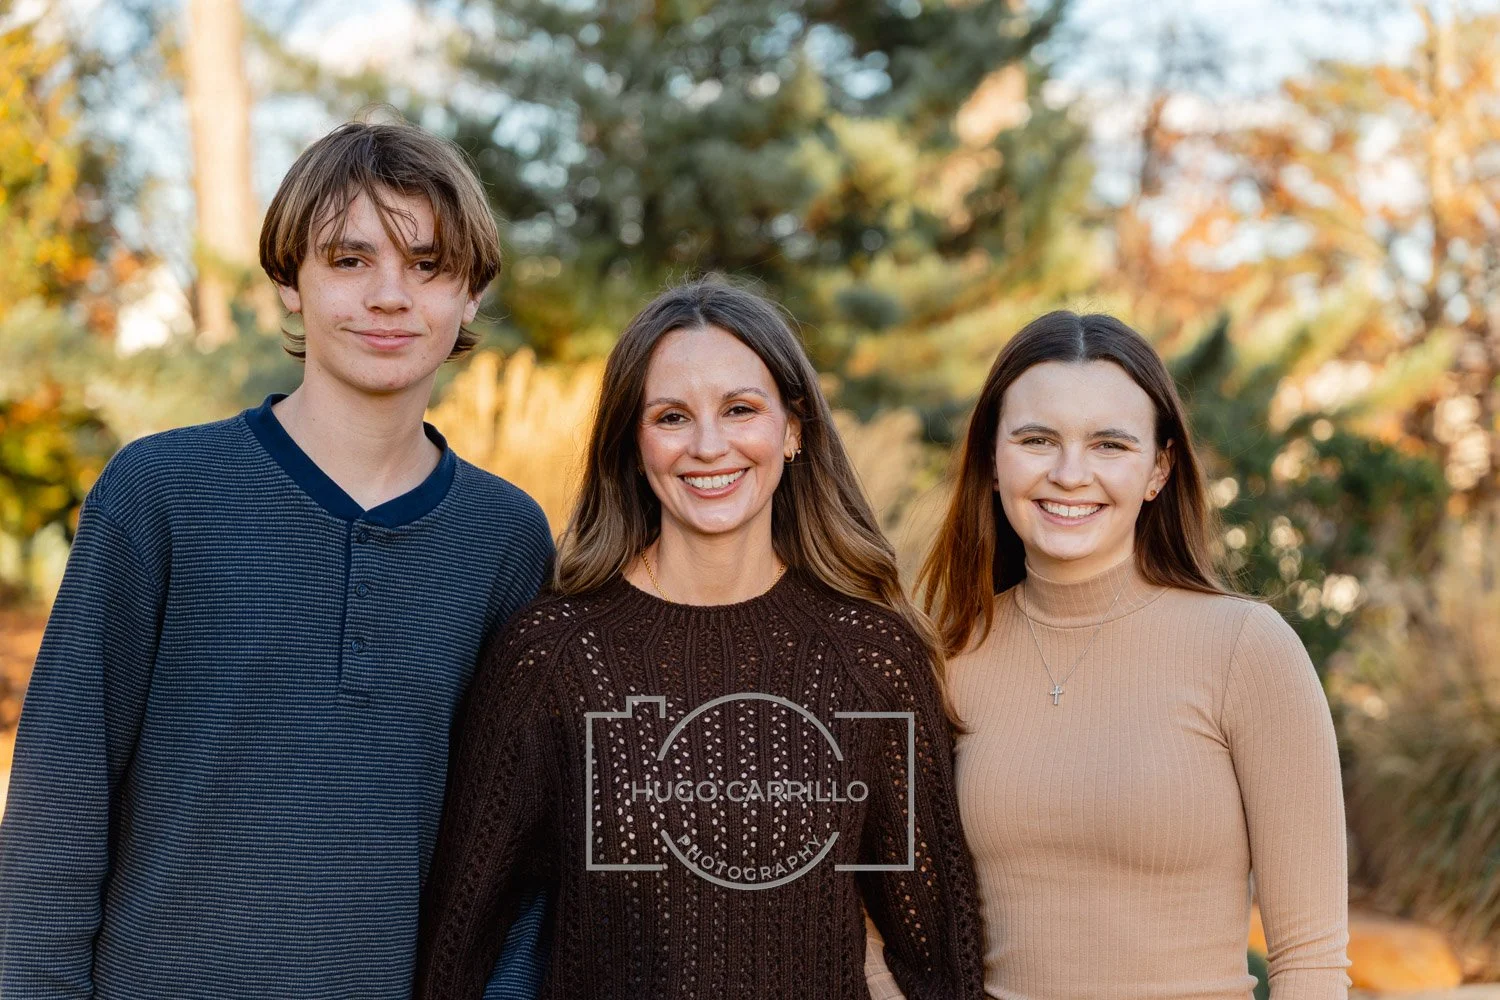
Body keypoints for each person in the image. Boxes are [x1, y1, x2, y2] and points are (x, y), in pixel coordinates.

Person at [0, 120, 552, 999]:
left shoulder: (506, 540)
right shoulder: (161, 492)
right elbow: (58, 806)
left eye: (428, 266)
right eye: (349, 260)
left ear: (471, 298)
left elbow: (519, 848)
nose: (389, 296)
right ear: (289, 283)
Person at [412, 278, 985, 1000]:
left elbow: (938, 957)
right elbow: (459, 942)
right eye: (673, 417)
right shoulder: (556, 657)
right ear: (633, 440)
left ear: (792, 428)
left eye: (740, 409)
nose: (709, 446)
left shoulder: (870, 658)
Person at [906, 310, 1350, 999]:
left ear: (1158, 468)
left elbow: (1312, 962)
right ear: (992, 461)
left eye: (1110, 444)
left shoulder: (1247, 651)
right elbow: (883, 926)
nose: (1070, 473)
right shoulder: (944, 658)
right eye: (1036, 439)